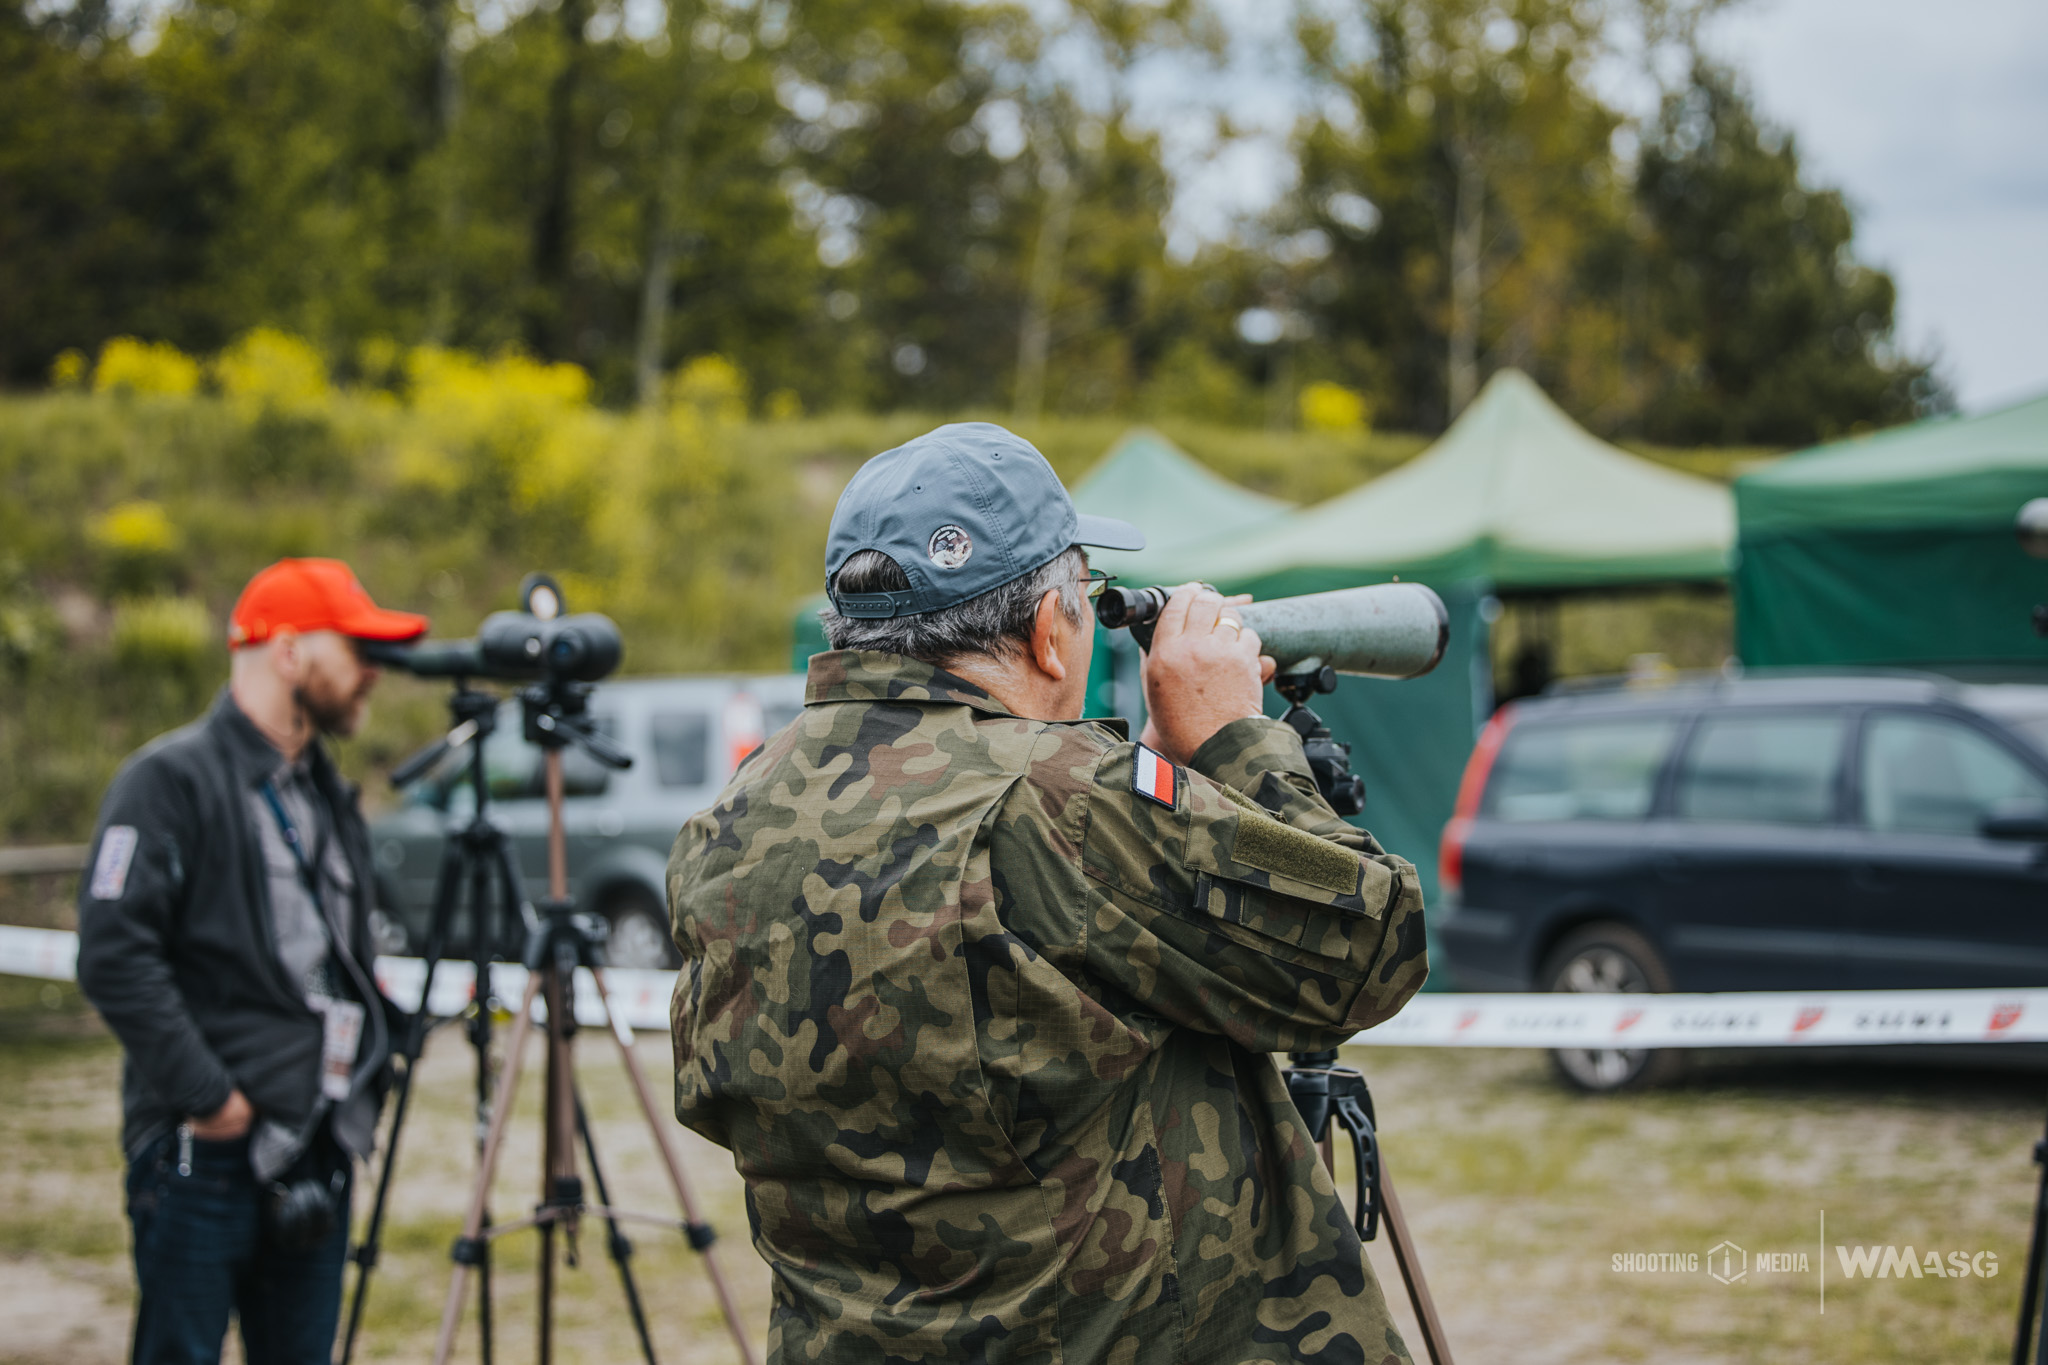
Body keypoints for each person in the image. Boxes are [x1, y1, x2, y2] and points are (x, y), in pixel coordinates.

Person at [667, 423, 1430, 1364]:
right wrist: (1234, 739)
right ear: (1046, 632)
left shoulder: (736, 815)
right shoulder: (1064, 798)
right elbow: (1374, 941)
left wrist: (1157, 783)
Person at [77, 557, 427, 1365]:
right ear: (290, 650)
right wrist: (212, 1098)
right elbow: (113, 954)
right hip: (207, 1152)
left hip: (318, 1148)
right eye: (357, 648)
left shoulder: (323, 790)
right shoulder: (166, 781)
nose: (373, 671)